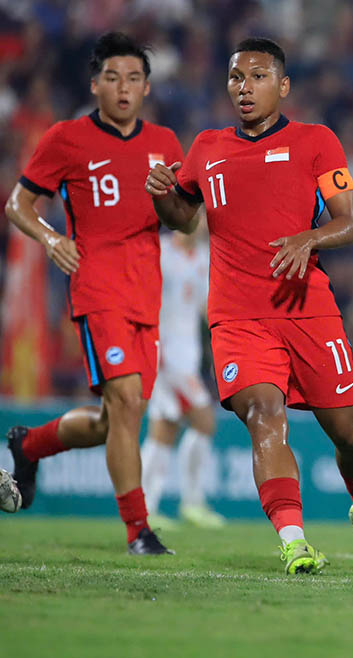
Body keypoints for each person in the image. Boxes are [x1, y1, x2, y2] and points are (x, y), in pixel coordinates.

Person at [145, 37, 353, 575]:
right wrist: (161, 194)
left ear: (283, 86)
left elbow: (349, 222)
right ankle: (294, 543)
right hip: (238, 316)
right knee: (266, 417)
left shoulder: (317, 142)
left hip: (308, 309)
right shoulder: (207, 148)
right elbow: (182, 217)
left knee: (351, 436)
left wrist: (308, 239)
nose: (244, 88)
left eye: (258, 77)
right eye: (236, 78)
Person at [4, 32, 184, 555]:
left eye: (132, 78)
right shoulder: (66, 139)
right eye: (112, 78)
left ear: (147, 88)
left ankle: (30, 443)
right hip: (96, 288)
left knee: (117, 421)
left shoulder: (167, 145)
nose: (122, 87)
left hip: (148, 295)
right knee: (126, 401)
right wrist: (53, 238)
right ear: (95, 84)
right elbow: (18, 204)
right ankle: (138, 531)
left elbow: (186, 221)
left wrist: (181, 207)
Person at [141, 226, 225, 530]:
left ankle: (145, 508)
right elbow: (142, 296)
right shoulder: (160, 252)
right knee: (205, 420)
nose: (204, 223)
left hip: (187, 357)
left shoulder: (203, 256)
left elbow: (206, 307)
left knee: (164, 428)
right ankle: (192, 502)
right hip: (165, 357)